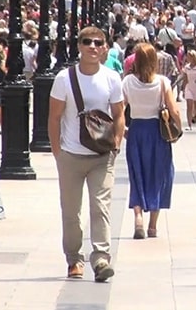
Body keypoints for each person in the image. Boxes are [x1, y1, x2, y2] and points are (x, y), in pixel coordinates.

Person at [48, 27, 125, 282]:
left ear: (105, 48)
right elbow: (54, 117)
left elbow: (119, 114)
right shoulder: (64, 78)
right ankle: (74, 259)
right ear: (79, 46)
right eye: (87, 42)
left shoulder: (111, 78)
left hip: (102, 155)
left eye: (98, 42)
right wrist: (58, 152)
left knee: (101, 207)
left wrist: (116, 144)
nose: (93, 46)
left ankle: (101, 259)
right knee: (71, 211)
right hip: (71, 154)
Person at [122, 43, 179, 240]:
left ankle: (138, 217)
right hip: (157, 133)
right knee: (159, 174)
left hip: (136, 131)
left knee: (137, 174)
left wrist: (123, 130)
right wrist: (178, 129)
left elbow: (119, 109)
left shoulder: (128, 81)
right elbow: (174, 110)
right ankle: (153, 225)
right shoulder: (162, 82)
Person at [181, 49, 196, 130]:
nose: (187, 58)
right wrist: (183, 89)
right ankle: (189, 125)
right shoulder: (187, 67)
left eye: (189, 57)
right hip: (189, 87)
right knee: (189, 107)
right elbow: (185, 79)